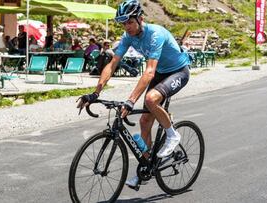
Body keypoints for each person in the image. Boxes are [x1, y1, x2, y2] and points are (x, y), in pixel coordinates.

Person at [77, 0, 191, 188]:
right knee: (144, 122)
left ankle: (172, 135)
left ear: (140, 18)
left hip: (178, 71)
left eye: (130, 22)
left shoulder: (155, 34)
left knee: (150, 99)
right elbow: (113, 63)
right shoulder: (128, 37)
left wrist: (130, 101)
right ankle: (147, 166)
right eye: (123, 23)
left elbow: (149, 72)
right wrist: (95, 93)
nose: (126, 27)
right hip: (161, 73)